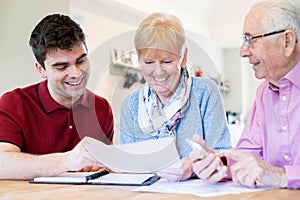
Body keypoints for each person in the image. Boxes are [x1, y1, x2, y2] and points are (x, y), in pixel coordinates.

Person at [189, 0, 300, 189]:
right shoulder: (264, 93)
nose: (242, 52)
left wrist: (283, 176)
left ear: (287, 42)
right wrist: (218, 164)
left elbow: (273, 174)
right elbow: (249, 155)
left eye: (251, 39)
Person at [0, 14, 114, 180]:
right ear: (41, 70)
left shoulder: (102, 108)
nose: (76, 74)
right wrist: (67, 161)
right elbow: (2, 164)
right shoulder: (14, 103)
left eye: (81, 61)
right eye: (62, 67)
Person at [120, 12, 231, 181]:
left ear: (184, 57)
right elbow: (128, 164)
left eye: (167, 61)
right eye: (149, 62)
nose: (158, 72)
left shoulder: (205, 92)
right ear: (139, 60)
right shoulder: (131, 105)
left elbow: (223, 156)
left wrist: (194, 167)